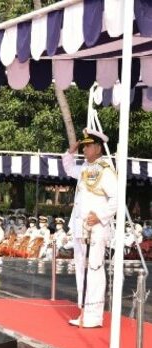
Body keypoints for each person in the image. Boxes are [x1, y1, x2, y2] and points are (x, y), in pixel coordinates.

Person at [63, 128, 117, 328]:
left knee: (94, 268)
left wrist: (100, 216)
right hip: (80, 227)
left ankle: (94, 315)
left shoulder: (104, 170)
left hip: (96, 229)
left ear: (97, 147)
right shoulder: (85, 168)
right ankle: (84, 311)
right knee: (81, 269)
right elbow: (68, 169)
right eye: (83, 146)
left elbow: (116, 199)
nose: (84, 150)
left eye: (87, 146)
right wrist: (71, 150)